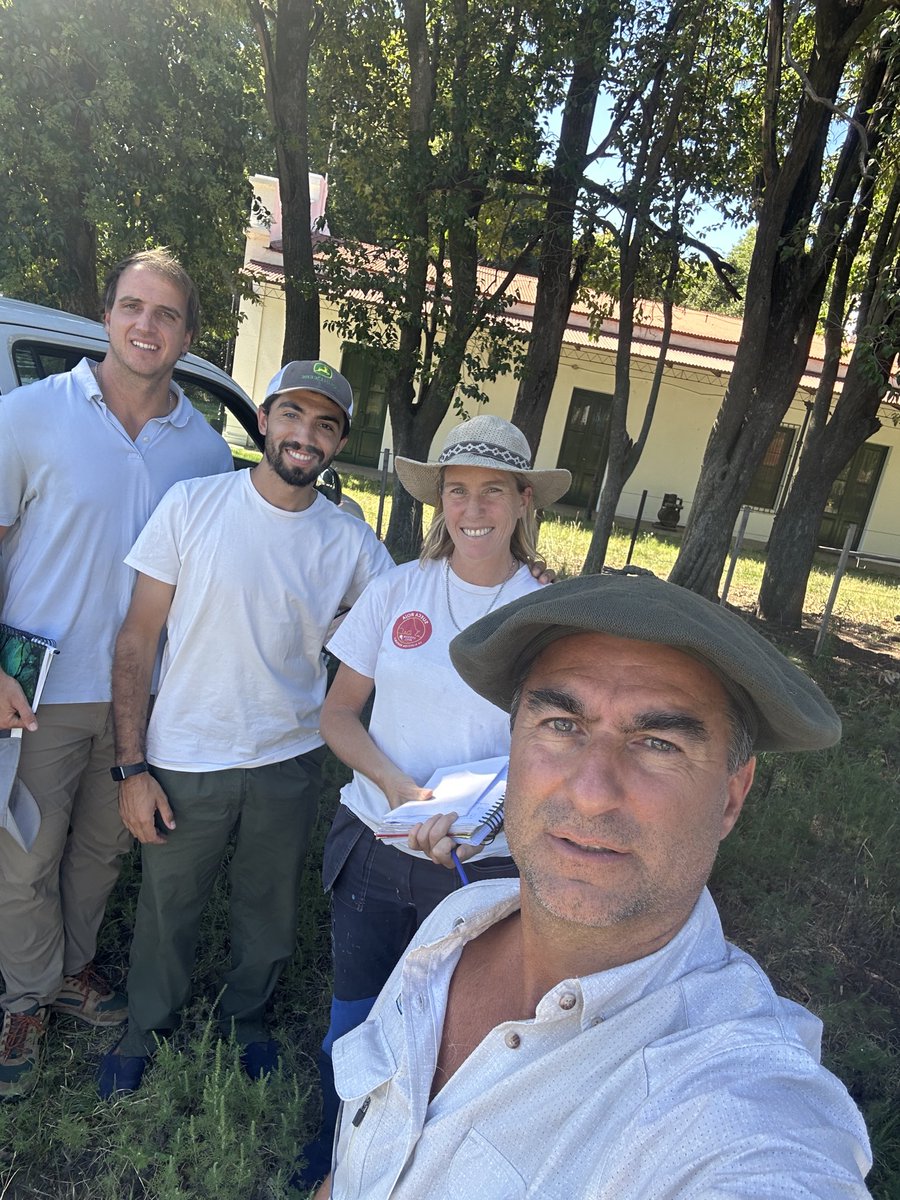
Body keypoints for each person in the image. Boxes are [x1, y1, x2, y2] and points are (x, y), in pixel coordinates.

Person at [316, 569, 873, 1199]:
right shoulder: (458, 923)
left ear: (731, 797)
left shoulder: (741, 1110)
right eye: (561, 725)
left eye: (658, 743)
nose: (590, 792)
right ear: (513, 747)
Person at [96, 361, 394, 1098]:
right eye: (292, 414)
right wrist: (132, 769)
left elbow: (408, 619)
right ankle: (146, 1030)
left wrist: (512, 583)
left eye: (325, 425)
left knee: (269, 909)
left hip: (287, 758)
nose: (306, 434)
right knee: (169, 910)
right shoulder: (193, 505)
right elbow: (137, 638)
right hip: (184, 753)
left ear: (339, 443)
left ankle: (246, 1023)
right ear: (263, 421)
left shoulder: (350, 544)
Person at [297, 416, 570, 1185]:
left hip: (484, 869)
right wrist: (396, 787)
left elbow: (563, 743)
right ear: (439, 500)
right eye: (457, 491)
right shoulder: (397, 592)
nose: (472, 508)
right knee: (354, 1022)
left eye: (492, 490)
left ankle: (418, 1176)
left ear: (523, 502)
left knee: (459, 1037)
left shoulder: (551, 615)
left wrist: (485, 820)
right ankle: (335, 1163)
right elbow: (337, 713)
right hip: (377, 850)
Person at [0, 249, 234, 1099]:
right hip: (34, 691)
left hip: (141, 703)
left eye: (166, 314)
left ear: (188, 335)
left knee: (100, 853)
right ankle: (23, 997)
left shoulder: (205, 454)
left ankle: (71, 970)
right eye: (132, 306)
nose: (147, 325)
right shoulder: (29, 417)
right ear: (106, 317)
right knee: (24, 852)